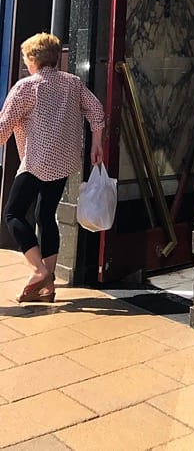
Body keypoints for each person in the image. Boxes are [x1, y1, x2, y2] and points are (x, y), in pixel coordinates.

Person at [0, 32, 105, 303]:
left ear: (33, 59)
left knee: (12, 214)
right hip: (63, 161)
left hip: (36, 161)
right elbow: (96, 111)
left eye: (26, 59)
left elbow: (3, 128)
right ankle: (48, 287)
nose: (26, 64)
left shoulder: (27, 87)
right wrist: (97, 144)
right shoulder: (73, 83)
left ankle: (40, 271)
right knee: (46, 215)